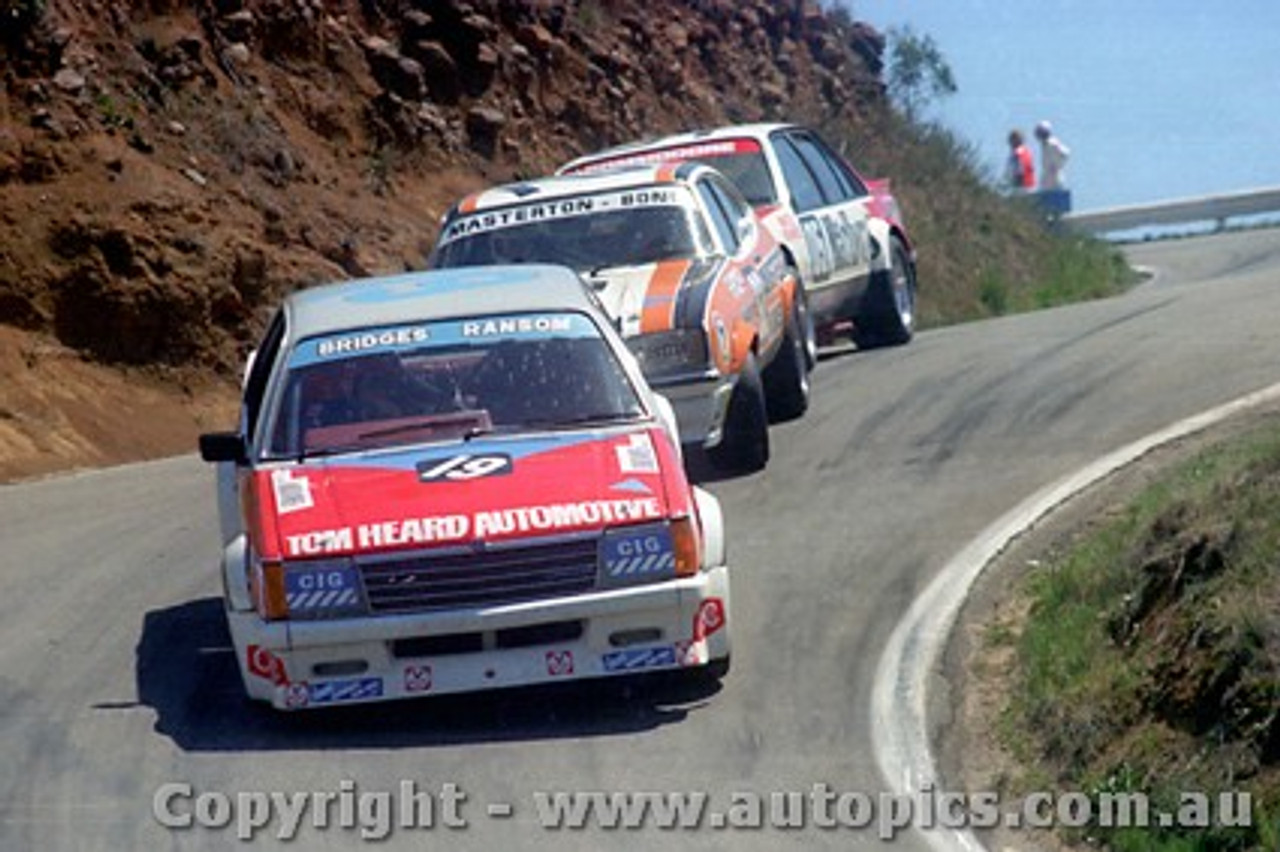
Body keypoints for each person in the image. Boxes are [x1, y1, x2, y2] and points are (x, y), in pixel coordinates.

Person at [1034, 120, 1072, 216]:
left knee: (1054, 208)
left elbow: (1065, 153)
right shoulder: (1045, 144)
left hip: (1054, 179)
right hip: (1048, 178)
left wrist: (1057, 166)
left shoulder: (1051, 143)